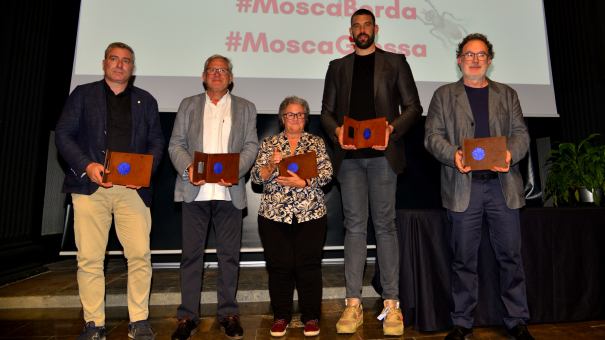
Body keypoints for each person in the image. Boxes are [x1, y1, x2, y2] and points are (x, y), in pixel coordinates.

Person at [320, 8, 423, 336]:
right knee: (353, 228)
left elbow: (413, 108)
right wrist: (336, 131)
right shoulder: (337, 67)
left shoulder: (396, 62)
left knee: (385, 227)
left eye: (367, 25)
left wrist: (391, 130)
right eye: (356, 26)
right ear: (350, 32)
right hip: (349, 160)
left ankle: (391, 305)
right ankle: (353, 303)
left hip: (383, 157)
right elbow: (326, 112)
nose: (362, 30)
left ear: (375, 29)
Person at [424, 33, 534, 340]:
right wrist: (454, 154)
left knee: (511, 257)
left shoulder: (507, 94)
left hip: (502, 186)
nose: (475, 60)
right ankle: (462, 322)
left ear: (490, 60)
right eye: (469, 55)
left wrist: (511, 154)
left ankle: (517, 320)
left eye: (481, 55)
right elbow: (431, 137)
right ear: (459, 60)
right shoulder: (444, 95)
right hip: (463, 188)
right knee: (463, 260)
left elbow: (521, 134)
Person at [55, 42, 164, 340]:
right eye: (114, 59)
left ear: (132, 67)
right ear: (104, 64)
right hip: (91, 187)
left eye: (126, 61)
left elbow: (156, 142)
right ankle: (94, 324)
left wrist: (144, 174)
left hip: (132, 190)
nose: (120, 65)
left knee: (140, 256)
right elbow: (63, 135)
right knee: (89, 258)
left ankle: (139, 320)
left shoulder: (146, 100)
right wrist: (86, 164)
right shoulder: (82, 94)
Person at [168, 54, 259, 340]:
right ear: (204, 76)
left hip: (228, 193)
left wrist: (235, 171)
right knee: (191, 257)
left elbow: (251, 146)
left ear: (231, 77)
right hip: (194, 192)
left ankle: (228, 314)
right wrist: (188, 168)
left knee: (229, 257)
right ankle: (187, 318)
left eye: (223, 70)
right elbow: (176, 144)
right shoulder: (188, 105)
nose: (217, 74)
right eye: (212, 70)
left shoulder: (246, 107)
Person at [251, 96, 333, 337]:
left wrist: (305, 182)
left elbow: (327, 174)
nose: (295, 118)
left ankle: (310, 317)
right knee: (280, 267)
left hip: (311, 214)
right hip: (274, 215)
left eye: (299, 114)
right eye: (290, 114)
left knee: (308, 267)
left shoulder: (315, 143)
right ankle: (280, 317)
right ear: (282, 118)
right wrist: (271, 166)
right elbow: (257, 177)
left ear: (305, 119)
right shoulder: (269, 143)